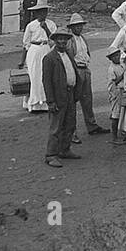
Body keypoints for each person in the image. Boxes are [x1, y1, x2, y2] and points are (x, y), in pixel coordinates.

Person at [42, 27, 82, 168]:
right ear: (54, 41)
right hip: (58, 96)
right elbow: (46, 82)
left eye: (65, 39)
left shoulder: (68, 54)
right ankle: (51, 155)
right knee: (56, 127)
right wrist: (51, 101)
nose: (62, 41)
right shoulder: (49, 58)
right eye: (59, 39)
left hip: (70, 94)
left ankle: (64, 149)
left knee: (70, 123)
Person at [64, 14, 107, 137]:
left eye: (80, 26)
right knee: (72, 101)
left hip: (85, 69)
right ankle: (72, 132)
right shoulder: (69, 40)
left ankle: (91, 125)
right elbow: (69, 57)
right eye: (76, 26)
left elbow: (86, 53)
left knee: (87, 99)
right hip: (76, 70)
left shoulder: (82, 38)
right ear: (71, 27)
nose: (79, 28)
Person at [20, 4, 56, 113]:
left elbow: (54, 39)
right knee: (34, 76)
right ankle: (33, 103)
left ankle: (45, 102)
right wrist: (22, 60)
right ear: (36, 13)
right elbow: (26, 43)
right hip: (34, 50)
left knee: (45, 75)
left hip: (46, 49)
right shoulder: (31, 26)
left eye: (44, 12)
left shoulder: (51, 24)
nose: (42, 14)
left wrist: (45, 28)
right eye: (40, 12)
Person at [105, 46, 126, 144]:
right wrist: (122, 75)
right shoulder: (112, 69)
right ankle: (114, 136)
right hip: (116, 92)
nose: (117, 57)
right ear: (111, 58)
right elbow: (114, 82)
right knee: (116, 114)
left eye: (118, 55)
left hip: (123, 91)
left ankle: (122, 131)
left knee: (123, 112)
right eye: (114, 56)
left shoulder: (122, 65)